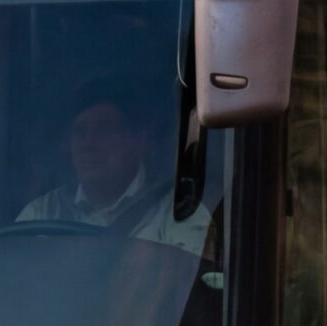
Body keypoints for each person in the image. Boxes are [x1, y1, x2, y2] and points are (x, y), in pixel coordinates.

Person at [18, 78, 209, 252]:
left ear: (138, 141)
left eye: (104, 131)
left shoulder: (178, 213)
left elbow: (190, 284)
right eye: (80, 132)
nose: (88, 144)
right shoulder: (42, 214)